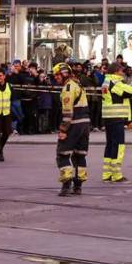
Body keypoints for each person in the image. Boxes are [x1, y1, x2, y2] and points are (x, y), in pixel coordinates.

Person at [55, 62, 90, 196]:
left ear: (63, 74)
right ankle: (78, 186)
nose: (56, 78)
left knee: (62, 154)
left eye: (57, 75)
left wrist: (63, 130)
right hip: (85, 124)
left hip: (74, 125)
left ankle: (66, 185)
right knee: (79, 155)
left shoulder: (68, 88)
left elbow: (68, 113)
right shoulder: (77, 85)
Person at [101, 66, 132, 183]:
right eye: (121, 71)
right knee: (118, 145)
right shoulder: (115, 82)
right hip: (116, 117)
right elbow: (131, 91)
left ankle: (107, 173)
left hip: (109, 117)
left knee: (110, 145)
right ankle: (116, 175)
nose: (123, 73)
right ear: (116, 71)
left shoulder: (106, 81)